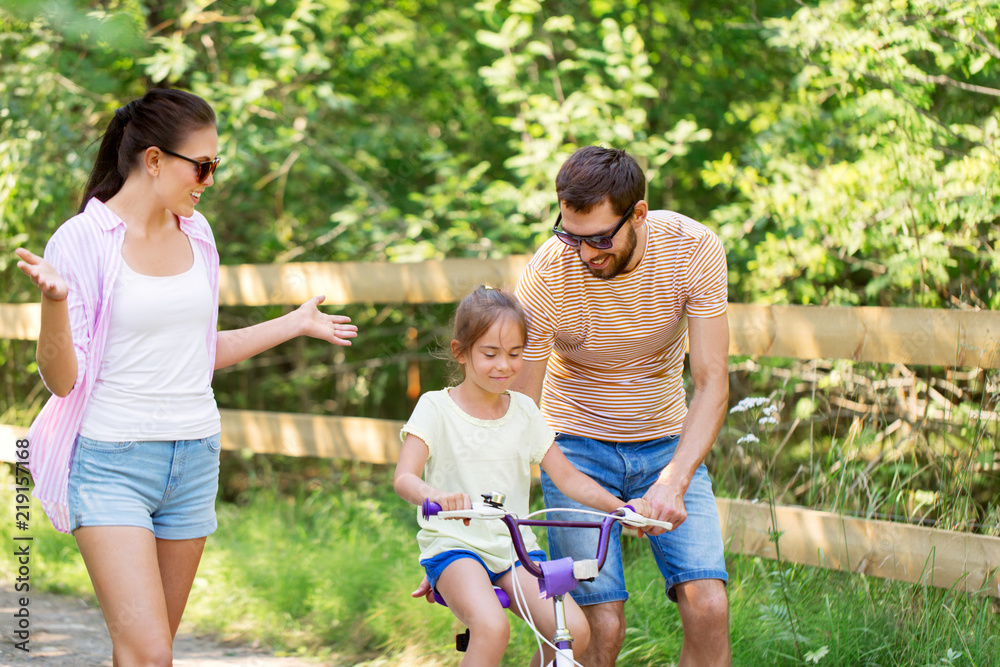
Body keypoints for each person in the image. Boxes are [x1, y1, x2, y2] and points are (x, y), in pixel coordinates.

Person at [14, 88, 358, 667]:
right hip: (111, 464)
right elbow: (62, 380)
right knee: (150, 653)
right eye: (203, 165)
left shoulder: (198, 235)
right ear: (154, 160)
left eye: (214, 164)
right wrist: (54, 303)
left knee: (148, 653)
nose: (210, 178)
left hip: (193, 459)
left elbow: (195, 354)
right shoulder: (80, 242)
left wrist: (294, 323)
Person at [513, 145, 732, 666]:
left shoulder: (692, 248)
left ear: (638, 214)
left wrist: (674, 480)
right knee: (599, 625)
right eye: (571, 234)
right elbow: (520, 406)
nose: (585, 253)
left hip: (667, 444)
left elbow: (712, 380)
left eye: (599, 238)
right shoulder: (548, 272)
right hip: (574, 447)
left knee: (709, 608)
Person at [393, 285, 652, 667]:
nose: (504, 366)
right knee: (492, 627)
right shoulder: (436, 408)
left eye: (515, 354)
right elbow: (404, 478)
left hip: (514, 550)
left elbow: (569, 479)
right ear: (460, 352)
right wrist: (435, 495)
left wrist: (622, 509)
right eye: (490, 353)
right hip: (455, 546)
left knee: (574, 633)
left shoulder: (525, 412)